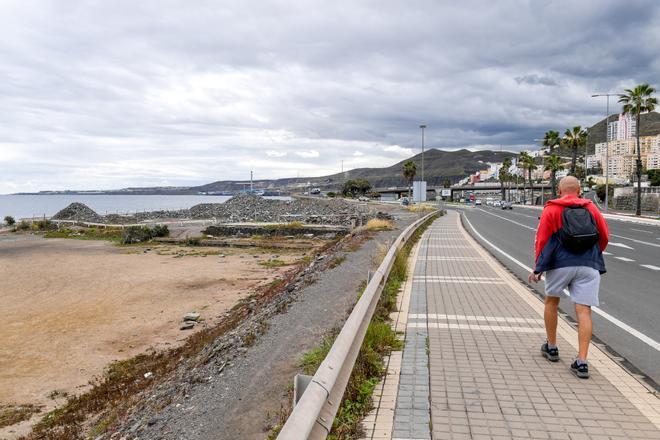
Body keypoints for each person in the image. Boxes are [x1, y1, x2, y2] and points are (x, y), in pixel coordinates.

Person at [528, 176, 609, 379]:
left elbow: (543, 239)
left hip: (559, 265)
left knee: (551, 302)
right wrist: (591, 255)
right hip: (588, 266)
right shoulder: (591, 208)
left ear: (559, 190)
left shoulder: (551, 208)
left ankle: (552, 347)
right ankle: (582, 362)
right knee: (584, 311)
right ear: (580, 190)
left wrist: (538, 266)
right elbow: (604, 236)